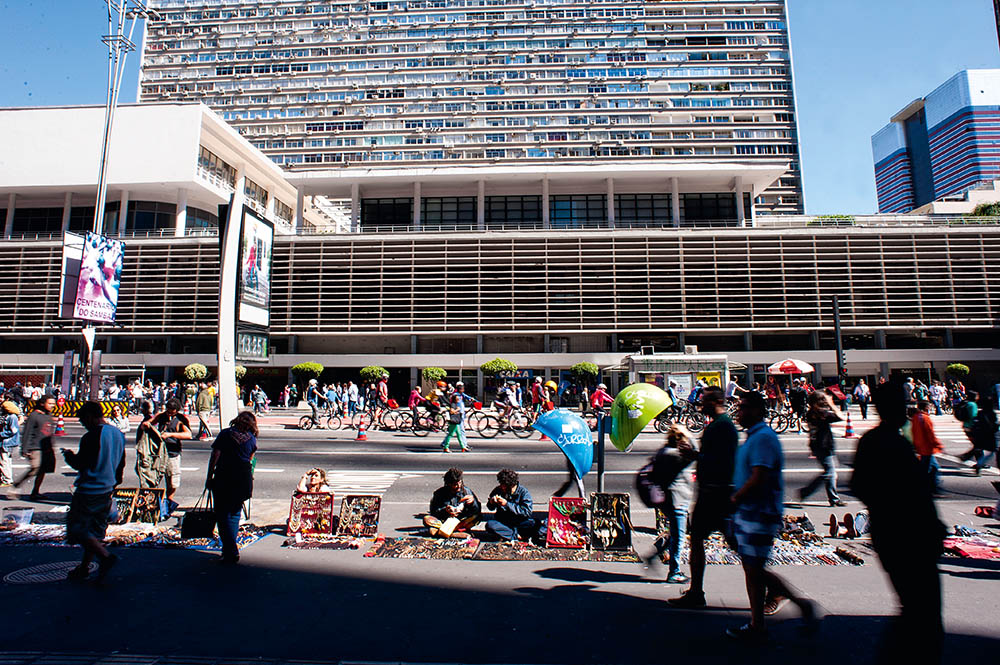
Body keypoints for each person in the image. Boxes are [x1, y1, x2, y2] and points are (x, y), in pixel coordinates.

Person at [851, 380, 945, 664]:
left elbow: (859, 486)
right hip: (910, 537)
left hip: (889, 534)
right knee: (923, 611)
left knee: (914, 608)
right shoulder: (893, 443)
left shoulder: (873, 441)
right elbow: (915, 494)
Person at [729, 392, 816, 641]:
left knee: (754, 569)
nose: (739, 411)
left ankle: (795, 604)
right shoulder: (754, 437)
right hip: (749, 512)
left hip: (759, 512)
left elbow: (760, 476)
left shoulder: (764, 438)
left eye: (744, 407)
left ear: (757, 410)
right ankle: (758, 623)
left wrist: (735, 499)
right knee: (751, 568)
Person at [669, 386, 739, 609]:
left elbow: (723, 460)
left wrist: (696, 455)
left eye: (706, 400)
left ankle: (773, 589)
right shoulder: (718, 426)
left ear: (717, 401)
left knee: (736, 545)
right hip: (710, 492)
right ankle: (696, 591)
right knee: (698, 539)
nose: (701, 404)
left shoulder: (724, 427)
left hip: (718, 493)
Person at [63, 401, 126, 583]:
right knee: (95, 531)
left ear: (90, 417)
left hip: (89, 489)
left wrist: (69, 457)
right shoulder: (117, 434)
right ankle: (84, 567)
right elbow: (121, 462)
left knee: (77, 529)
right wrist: (115, 482)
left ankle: (106, 557)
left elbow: (81, 464)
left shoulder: (91, 437)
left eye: (83, 420)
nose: (82, 423)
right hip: (107, 489)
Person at [205, 411, 258, 565]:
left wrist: (209, 476)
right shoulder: (252, 438)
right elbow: (251, 461)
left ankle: (230, 550)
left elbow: (215, 455)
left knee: (222, 515)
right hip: (243, 478)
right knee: (234, 514)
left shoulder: (225, 434)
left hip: (225, 476)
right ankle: (230, 550)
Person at [647, 424, 696, 584]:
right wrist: (690, 435)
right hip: (677, 500)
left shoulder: (664, 451)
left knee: (675, 533)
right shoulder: (674, 454)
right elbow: (694, 454)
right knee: (679, 536)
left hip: (669, 499)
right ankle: (674, 571)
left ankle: (654, 555)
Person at [798, 390, 846, 507]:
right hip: (824, 446)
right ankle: (807, 491)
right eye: (823, 399)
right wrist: (832, 404)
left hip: (819, 446)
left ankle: (833, 498)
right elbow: (841, 416)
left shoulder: (811, 413)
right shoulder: (822, 414)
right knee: (829, 473)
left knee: (832, 472)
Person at [142, 398, 191, 506]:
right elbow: (150, 423)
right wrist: (147, 424)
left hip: (172, 454)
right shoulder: (162, 416)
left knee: (172, 480)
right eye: (168, 411)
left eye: (172, 412)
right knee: (154, 477)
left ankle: (169, 501)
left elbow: (188, 434)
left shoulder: (180, 420)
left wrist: (170, 435)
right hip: (159, 453)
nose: (169, 413)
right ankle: (151, 501)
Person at [11, 396, 56, 499]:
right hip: (35, 447)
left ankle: (35, 491)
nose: (52, 406)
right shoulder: (34, 415)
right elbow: (27, 432)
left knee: (43, 470)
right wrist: (25, 449)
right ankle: (16, 485)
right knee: (35, 468)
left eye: (53, 404)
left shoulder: (48, 415)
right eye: (50, 404)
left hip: (46, 448)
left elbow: (49, 432)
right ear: (42, 403)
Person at [485, 468, 546, 543]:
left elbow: (526, 512)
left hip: (520, 522)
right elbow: (490, 507)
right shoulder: (498, 490)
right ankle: (516, 536)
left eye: (503, 485)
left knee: (536, 524)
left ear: (510, 485)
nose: (501, 487)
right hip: (504, 521)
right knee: (490, 525)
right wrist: (491, 502)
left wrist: (507, 504)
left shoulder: (523, 493)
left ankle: (509, 535)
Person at [423, 467, 481, 537]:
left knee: (478, 517)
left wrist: (473, 503)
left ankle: (444, 532)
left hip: (461, 521)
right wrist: (446, 510)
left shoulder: (467, 492)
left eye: (459, 482)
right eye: (455, 484)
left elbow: (477, 511)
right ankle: (454, 533)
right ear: (449, 484)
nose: (458, 486)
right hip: (445, 521)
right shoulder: (439, 493)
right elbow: (434, 511)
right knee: (427, 519)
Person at [910, 400, 944, 493]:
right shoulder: (925, 418)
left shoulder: (915, 417)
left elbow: (913, 432)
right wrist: (938, 444)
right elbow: (930, 433)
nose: (929, 407)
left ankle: (932, 487)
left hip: (920, 447)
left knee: (931, 468)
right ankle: (932, 488)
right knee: (930, 469)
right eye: (928, 406)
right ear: (926, 407)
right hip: (927, 447)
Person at [0, 400, 21, 488]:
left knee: (4, 461)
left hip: (7, 442)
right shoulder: (10, 417)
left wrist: (1, 434)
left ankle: (7, 479)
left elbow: (13, 431)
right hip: (7, 442)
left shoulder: (12, 417)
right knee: (6, 460)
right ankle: (7, 478)